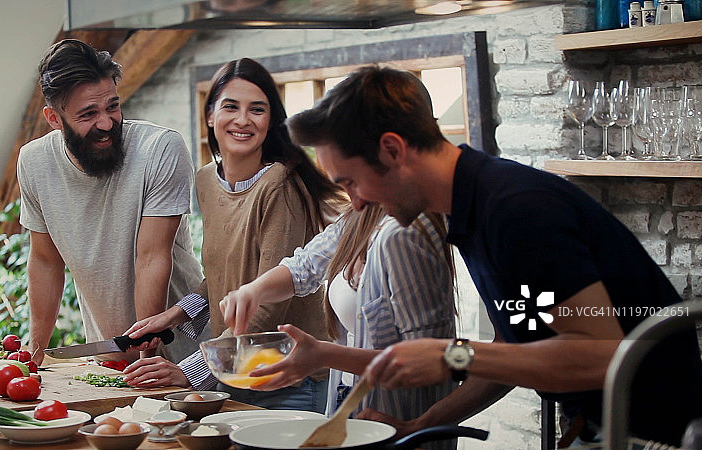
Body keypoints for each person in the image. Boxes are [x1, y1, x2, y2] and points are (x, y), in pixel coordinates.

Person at [277, 65, 701, 446]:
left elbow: (601, 356)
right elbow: (512, 348)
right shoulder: (473, 207)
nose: (354, 203)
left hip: (656, 433)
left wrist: (451, 355)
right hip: (603, 423)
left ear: (392, 149)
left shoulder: (515, 211)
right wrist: (420, 424)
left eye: (350, 181)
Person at [123, 58, 345, 413]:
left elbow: (269, 302)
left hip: (287, 380)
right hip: (234, 372)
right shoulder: (207, 180)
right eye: (231, 107)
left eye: (257, 109)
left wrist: (190, 372)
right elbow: (227, 272)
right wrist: (176, 314)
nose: (243, 120)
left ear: (271, 121)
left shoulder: (281, 184)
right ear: (210, 115)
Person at [17, 39, 204, 366]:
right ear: (54, 118)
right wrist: (34, 354)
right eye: (88, 114)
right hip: (109, 358)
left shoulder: (160, 149)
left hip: (184, 354)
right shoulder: (34, 162)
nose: (106, 123)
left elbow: (150, 258)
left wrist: (147, 353)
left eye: (112, 106)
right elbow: (46, 262)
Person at [220, 202, 459, 450]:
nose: (349, 195)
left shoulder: (403, 236)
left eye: (347, 179)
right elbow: (304, 266)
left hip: (397, 416)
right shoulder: (360, 218)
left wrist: (324, 355)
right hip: (347, 399)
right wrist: (253, 291)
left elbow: (430, 361)